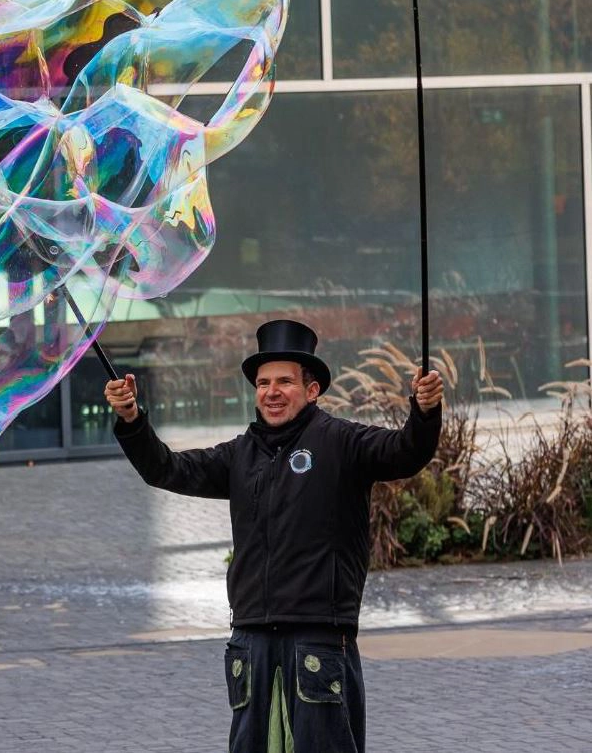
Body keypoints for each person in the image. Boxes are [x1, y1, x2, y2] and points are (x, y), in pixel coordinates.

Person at [103, 319, 442, 753]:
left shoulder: (342, 442)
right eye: (263, 383)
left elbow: (406, 452)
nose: (272, 391)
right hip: (252, 638)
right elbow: (165, 468)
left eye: (285, 381)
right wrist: (131, 418)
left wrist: (425, 410)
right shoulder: (240, 454)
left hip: (318, 636)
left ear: (312, 389)